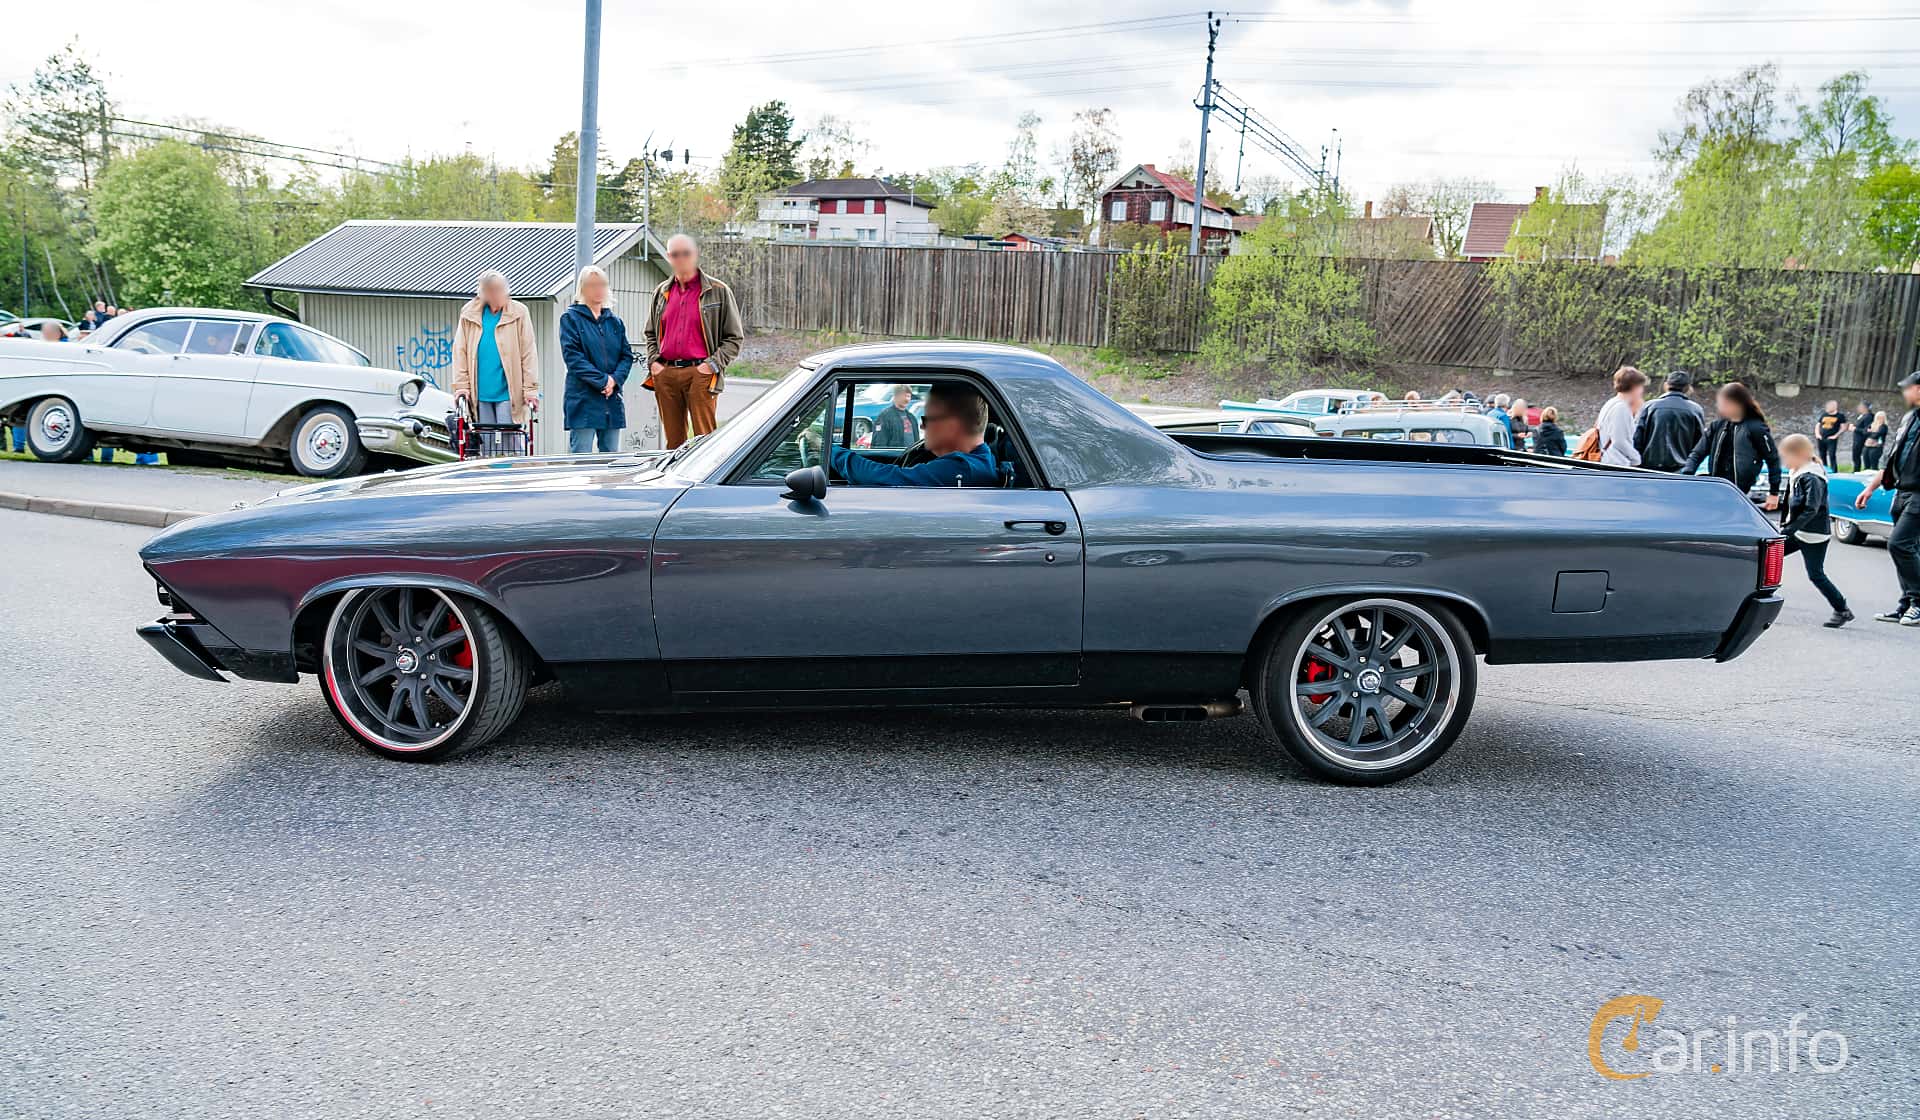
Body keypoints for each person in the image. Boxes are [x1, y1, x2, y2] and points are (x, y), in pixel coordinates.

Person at [642, 234, 745, 450]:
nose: (681, 259)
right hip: (666, 374)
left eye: (686, 254)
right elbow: (650, 333)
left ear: (696, 254)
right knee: (674, 445)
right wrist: (654, 364)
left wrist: (710, 366)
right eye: (675, 254)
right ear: (668, 257)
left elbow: (734, 338)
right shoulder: (661, 292)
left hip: (701, 373)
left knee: (704, 442)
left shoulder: (718, 291)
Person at [828, 382, 998, 487]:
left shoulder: (960, 469)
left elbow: (887, 478)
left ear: (951, 426)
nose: (922, 425)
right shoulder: (981, 460)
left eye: (927, 419)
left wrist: (829, 451)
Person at [1852, 370, 1920, 626]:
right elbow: (1893, 457)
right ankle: (1907, 605)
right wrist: (1870, 488)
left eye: (1908, 387)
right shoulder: (1910, 418)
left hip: (1918, 494)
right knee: (1908, 549)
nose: (1904, 392)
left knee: (1900, 545)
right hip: (1902, 491)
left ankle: (1918, 602)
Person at [450, 270, 541, 453]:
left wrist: (530, 389)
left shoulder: (519, 312)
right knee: (487, 442)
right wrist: (461, 386)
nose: (496, 294)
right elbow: (460, 351)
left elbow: (528, 352)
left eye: (499, 289)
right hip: (481, 390)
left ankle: (517, 471)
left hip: (508, 390)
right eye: (491, 290)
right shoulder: (469, 313)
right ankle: (488, 470)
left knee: (511, 441)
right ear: (482, 293)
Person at [1776, 433, 1851, 627]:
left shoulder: (1812, 477)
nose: (1784, 461)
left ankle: (1842, 609)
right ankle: (1759, 596)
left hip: (1812, 533)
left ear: (1799, 455)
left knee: (1816, 574)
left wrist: (1787, 530)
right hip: (1798, 530)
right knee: (1768, 557)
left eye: (1786, 456)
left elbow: (1811, 509)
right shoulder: (1798, 472)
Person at [559, 264, 633, 454]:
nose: (598, 289)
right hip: (583, 399)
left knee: (610, 458)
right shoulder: (571, 318)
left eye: (602, 284)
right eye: (592, 285)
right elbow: (573, 358)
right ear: (582, 288)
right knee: (582, 457)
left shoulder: (615, 322)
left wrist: (614, 380)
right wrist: (603, 381)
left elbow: (626, 356)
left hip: (611, 400)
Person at [1681, 381, 1782, 510]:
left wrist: (1774, 493)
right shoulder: (1718, 426)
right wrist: (1687, 475)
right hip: (1717, 487)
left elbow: (1772, 459)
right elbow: (1698, 453)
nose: (1719, 407)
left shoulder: (1756, 428)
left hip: (1741, 492)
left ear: (1736, 404)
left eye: (1723, 403)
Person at [1632, 370, 1707, 473]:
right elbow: (1699, 444)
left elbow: (1637, 438)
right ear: (1688, 388)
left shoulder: (1649, 407)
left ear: (1666, 385)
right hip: (1681, 471)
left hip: (1649, 469)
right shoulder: (1695, 410)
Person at [1595, 366, 1647, 467]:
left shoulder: (1611, 403)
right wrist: (1636, 459)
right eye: (1641, 386)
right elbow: (1619, 441)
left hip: (1606, 460)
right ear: (1634, 387)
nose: (1642, 391)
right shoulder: (1621, 408)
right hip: (1615, 463)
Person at [871, 384, 920, 449]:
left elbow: (917, 442)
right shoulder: (885, 416)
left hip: (910, 454)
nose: (906, 399)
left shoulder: (912, 417)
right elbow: (879, 443)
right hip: (895, 455)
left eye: (908, 396)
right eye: (903, 396)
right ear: (895, 397)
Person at [1814, 399, 1847, 472]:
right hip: (1821, 438)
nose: (1827, 408)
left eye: (1829, 406)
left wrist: (1836, 435)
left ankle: (1834, 471)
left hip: (1831, 439)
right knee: (1822, 455)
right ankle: (1823, 470)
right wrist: (1817, 434)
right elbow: (1818, 425)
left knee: (1832, 455)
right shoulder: (1824, 415)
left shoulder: (1840, 416)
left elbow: (1843, 427)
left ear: (1835, 407)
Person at [1849, 400, 1875, 470]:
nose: (1858, 408)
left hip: (1861, 440)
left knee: (1859, 457)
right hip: (1857, 440)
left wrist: (1854, 429)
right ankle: (1856, 471)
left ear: (1865, 408)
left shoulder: (1869, 417)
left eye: (1860, 407)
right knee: (1855, 457)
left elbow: (1867, 431)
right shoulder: (1862, 416)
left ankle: (1859, 471)